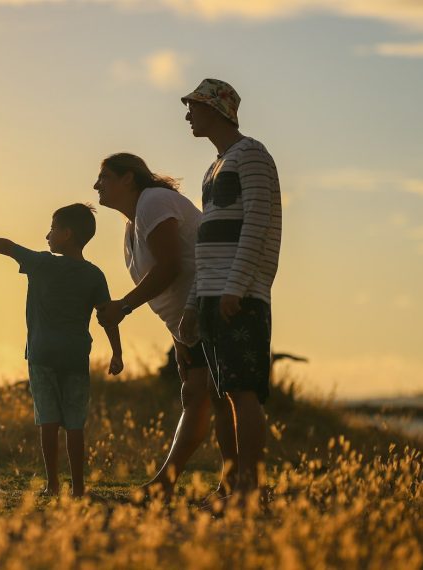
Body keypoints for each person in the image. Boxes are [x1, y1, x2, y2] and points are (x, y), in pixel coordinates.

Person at [0, 204, 123, 497]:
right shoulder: (94, 275)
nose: (47, 234)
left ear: (66, 234)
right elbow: (107, 316)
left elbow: (7, 246)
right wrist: (117, 353)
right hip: (76, 357)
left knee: (48, 422)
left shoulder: (41, 263)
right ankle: (78, 488)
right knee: (75, 424)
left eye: (52, 228)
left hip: (42, 355)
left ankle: (53, 485)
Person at [93, 153, 237, 498]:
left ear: (128, 179)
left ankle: (192, 484)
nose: (97, 185)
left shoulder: (153, 202)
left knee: (214, 396)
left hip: (213, 304)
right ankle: (222, 483)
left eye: (104, 177)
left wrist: (124, 306)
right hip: (191, 320)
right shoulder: (134, 223)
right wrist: (179, 339)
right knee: (203, 396)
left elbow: (171, 266)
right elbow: (172, 281)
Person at [177, 78, 282, 498]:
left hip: (240, 296)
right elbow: (207, 242)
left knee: (243, 391)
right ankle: (230, 484)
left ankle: (249, 490)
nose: (188, 115)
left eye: (194, 107)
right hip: (210, 296)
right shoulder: (213, 167)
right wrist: (192, 303)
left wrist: (236, 287)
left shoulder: (252, 155)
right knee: (221, 395)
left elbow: (258, 223)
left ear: (217, 111)